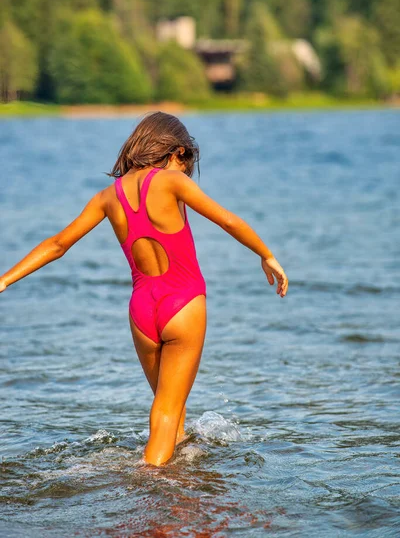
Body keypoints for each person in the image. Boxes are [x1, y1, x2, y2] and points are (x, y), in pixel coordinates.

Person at [0, 111, 288, 467]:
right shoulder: (172, 181)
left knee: (169, 407)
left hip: (141, 312)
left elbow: (58, 244)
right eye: (186, 164)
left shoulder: (108, 196)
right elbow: (227, 219)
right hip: (182, 304)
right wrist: (266, 254)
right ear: (176, 152)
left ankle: (175, 486)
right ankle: (149, 482)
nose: (185, 173)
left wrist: (5, 279)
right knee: (167, 411)